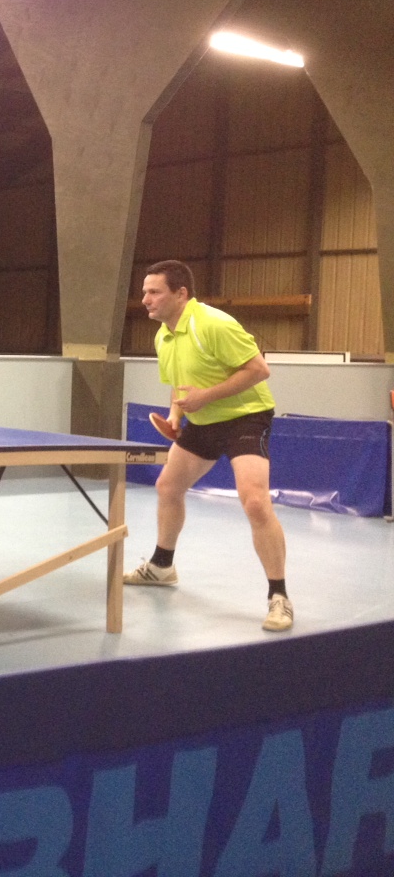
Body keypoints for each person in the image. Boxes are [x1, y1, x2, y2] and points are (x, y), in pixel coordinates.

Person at [126, 259, 291, 631]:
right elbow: (180, 384)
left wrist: (206, 397)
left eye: (154, 292)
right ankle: (161, 566)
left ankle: (279, 596)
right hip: (203, 420)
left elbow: (259, 370)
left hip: (246, 417)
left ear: (180, 294)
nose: (146, 299)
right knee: (168, 487)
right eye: (144, 292)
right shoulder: (164, 336)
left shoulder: (214, 324)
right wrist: (175, 416)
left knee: (255, 502)